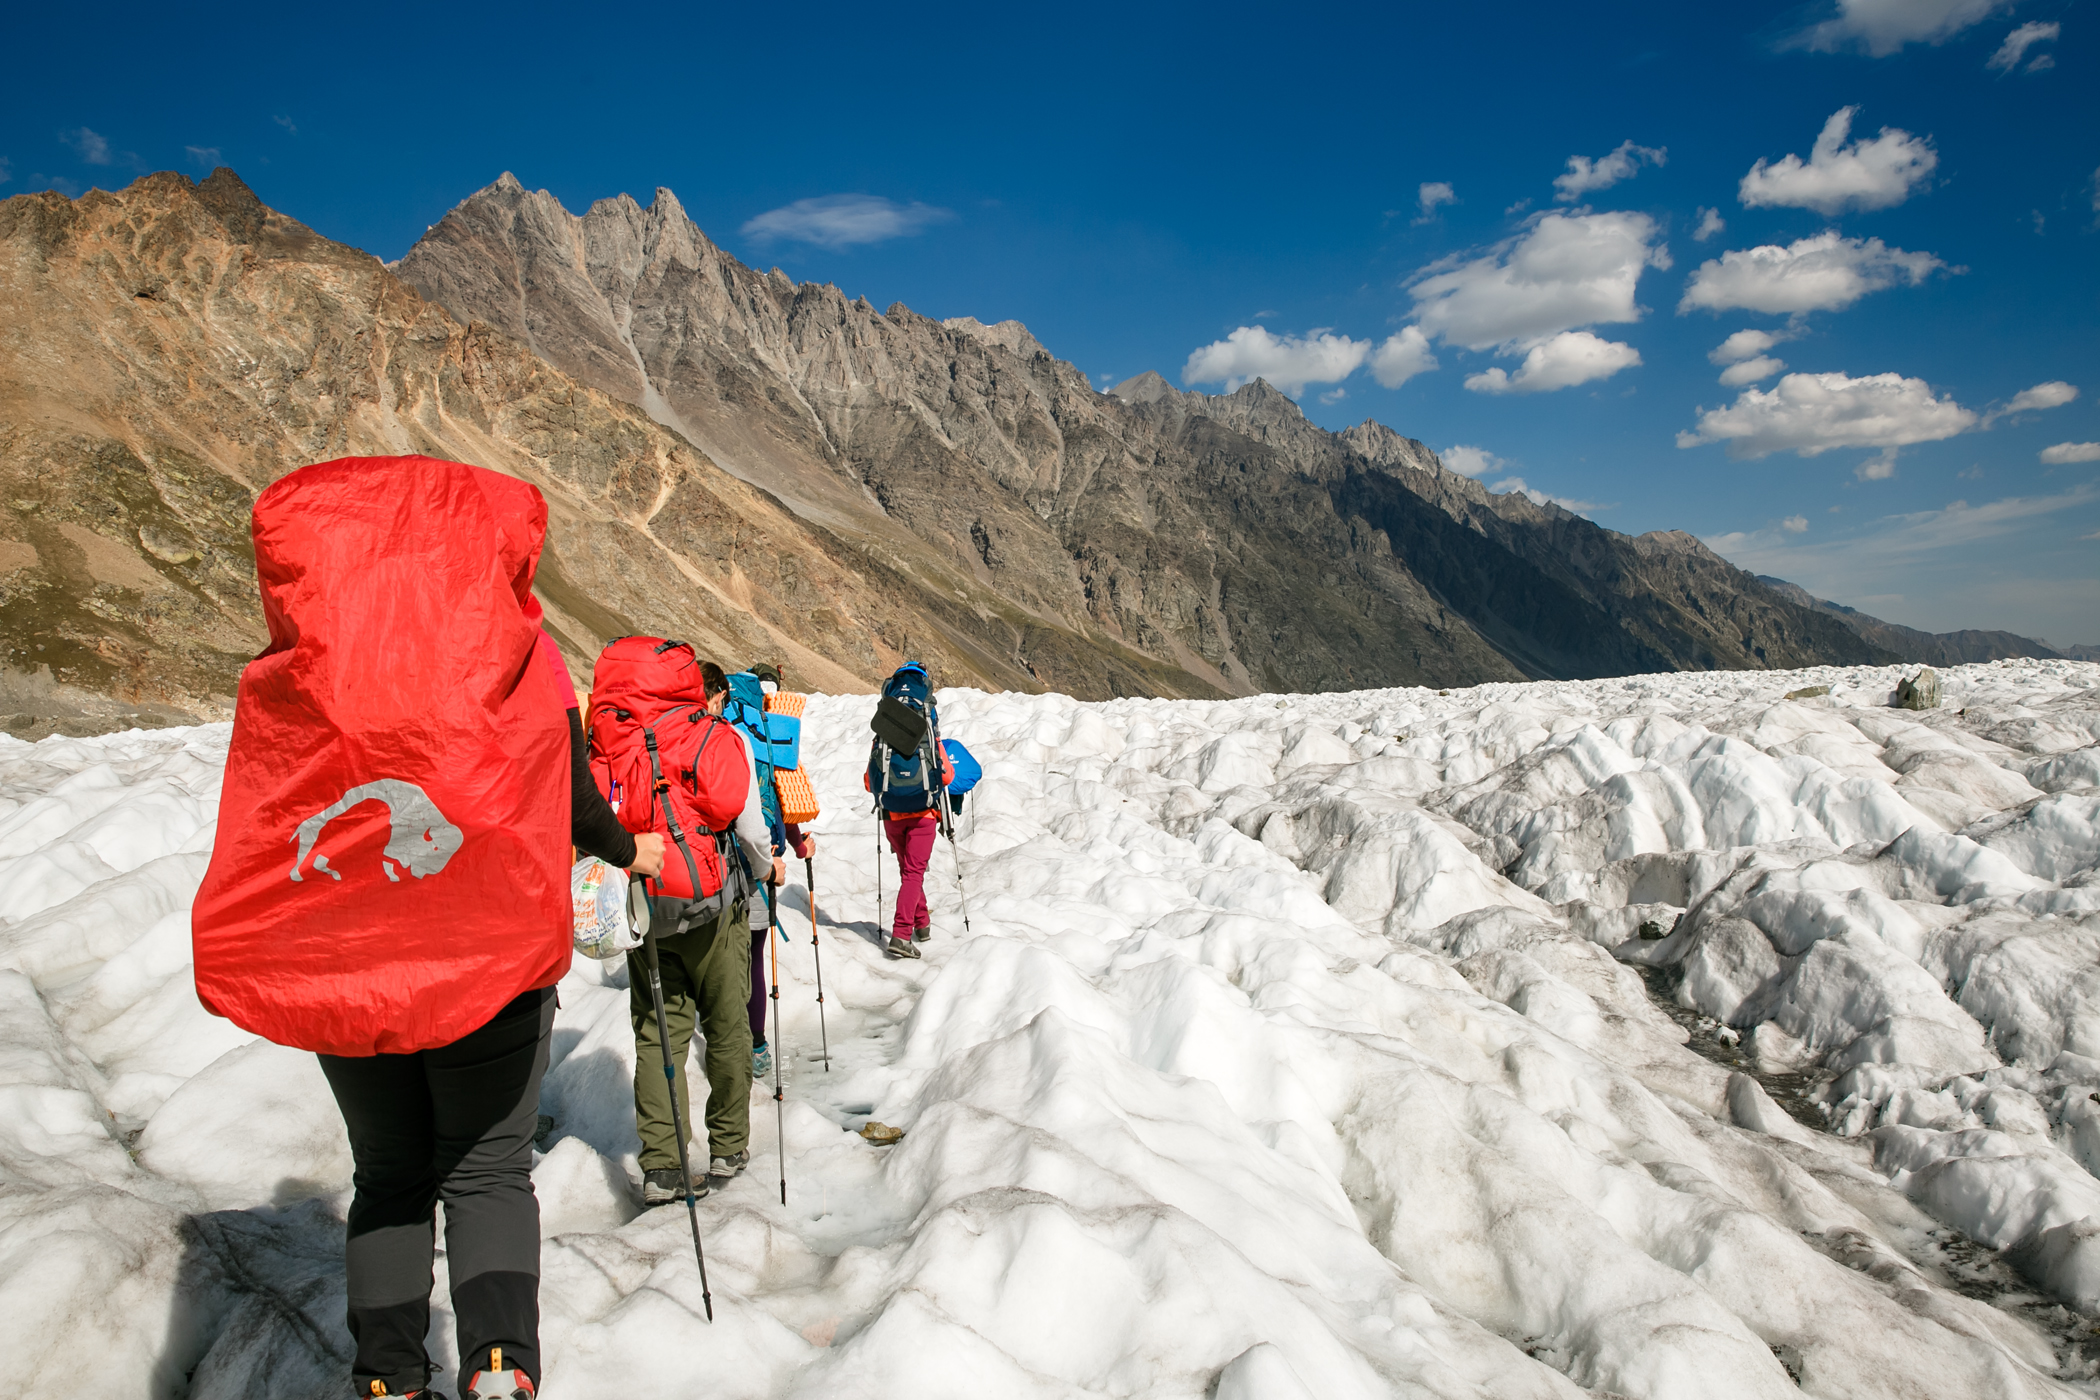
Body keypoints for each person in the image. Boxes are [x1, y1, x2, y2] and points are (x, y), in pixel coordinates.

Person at [317, 633, 665, 1400]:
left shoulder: (323, 640)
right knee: (487, 1174)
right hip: (491, 955)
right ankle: (501, 1373)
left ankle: (388, 1383)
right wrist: (626, 850)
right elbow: (571, 799)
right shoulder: (525, 652)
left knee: (389, 1176)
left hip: (350, 958)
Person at [633, 660, 781, 1208]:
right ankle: (728, 1145)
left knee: (658, 1035)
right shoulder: (719, 739)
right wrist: (765, 870)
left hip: (646, 907)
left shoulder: (627, 738)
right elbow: (748, 824)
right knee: (726, 1022)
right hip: (715, 906)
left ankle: (663, 1165)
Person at [743, 661, 812, 1079]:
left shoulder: (729, 727)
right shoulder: (779, 736)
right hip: (763, 862)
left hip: (714, 859)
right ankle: (755, 1045)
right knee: (753, 957)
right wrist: (801, 845)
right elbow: (786, 805)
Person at [866, 661, 954, 960]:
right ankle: (902, 935)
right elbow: (947, 777)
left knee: (908, 872)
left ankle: (922, 924)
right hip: (923, 814)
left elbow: (869, 781)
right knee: (914, 874)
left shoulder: (884, 737)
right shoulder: (929, 736)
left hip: (891, 812)